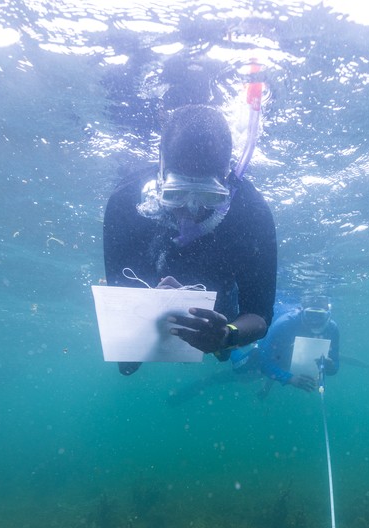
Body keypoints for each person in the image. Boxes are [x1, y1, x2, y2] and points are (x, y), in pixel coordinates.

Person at [102, 104, 277, 376]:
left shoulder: (252, 212)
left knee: (222, 352)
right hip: (148, 283)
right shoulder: (125, 201)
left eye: (209, 196)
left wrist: (228, 335)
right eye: (177, 193)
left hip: (219, 291)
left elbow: (261, 315)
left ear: (227, 181)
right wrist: (144, 313)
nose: (191, 211)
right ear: (161, 174)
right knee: (128, 364)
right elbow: (119, 299)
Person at [233, 295, 340, 396]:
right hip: (266, 353)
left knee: (279, 363)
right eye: (311, 315)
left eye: (320, 316)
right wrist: (289, 379)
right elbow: (264, 361)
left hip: (287, 356)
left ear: (328, 315)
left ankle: (268, 382)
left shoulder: (332, 328)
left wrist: (330, 368)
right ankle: (229, 347)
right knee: (239, 368)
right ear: (302, 312)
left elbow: (334, 363)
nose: (315, 322)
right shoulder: (285, 323)